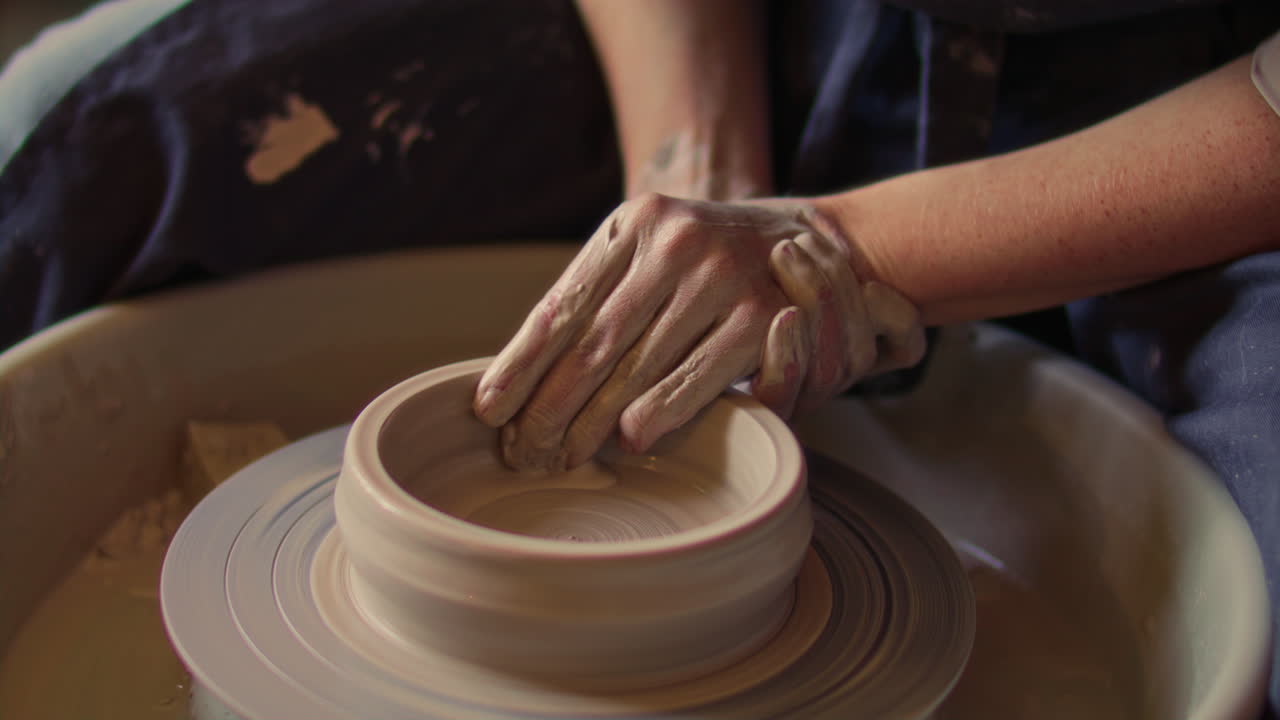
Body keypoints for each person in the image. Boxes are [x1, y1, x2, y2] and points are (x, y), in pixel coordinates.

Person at [1, 0, 1278, 714]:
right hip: (795, 26)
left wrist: (854, 243)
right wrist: (693, 170)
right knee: (71, 137)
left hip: (1209, 115)